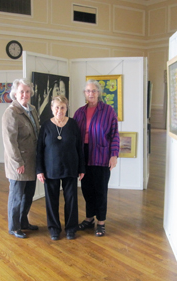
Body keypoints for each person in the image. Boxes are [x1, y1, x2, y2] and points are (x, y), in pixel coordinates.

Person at [73, 79, 120, 237]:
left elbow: (114, 135)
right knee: (86, 190)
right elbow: (73, 136)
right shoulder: (79, 112)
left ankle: (101, 222)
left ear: (99, 93)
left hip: (101, 155)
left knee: (100, 190)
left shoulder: (108, 111)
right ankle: (89, 219)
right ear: (84, 94)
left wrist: (114, 155)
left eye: (93, 91)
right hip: (83, 155)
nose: (90, 94)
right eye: (88, 91)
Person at [36, 95, 85, 241]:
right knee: (51, 201)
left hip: (71, 168)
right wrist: (39, 170)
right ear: (52, 108)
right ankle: (54, 229)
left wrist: (82, 168)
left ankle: (71, 228)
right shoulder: (45, 126)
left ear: (66, 108)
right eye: (56, 107)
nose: (59, 110)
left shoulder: (73, 124)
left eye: (62, 107)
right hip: (50, 169)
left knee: (71, 200)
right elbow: (39, 150)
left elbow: (79, 147)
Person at [2, 78, 40, 239]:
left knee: (28, 195)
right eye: (22, 92)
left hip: (32, 162)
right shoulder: (11, 112)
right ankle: (14, 227)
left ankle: (24, 222)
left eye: (27, 91)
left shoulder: (32, 109)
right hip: (19, 164)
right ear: (15, 94)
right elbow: (9, 142)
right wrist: (18, 162)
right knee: (17, 196)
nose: (25, 94)